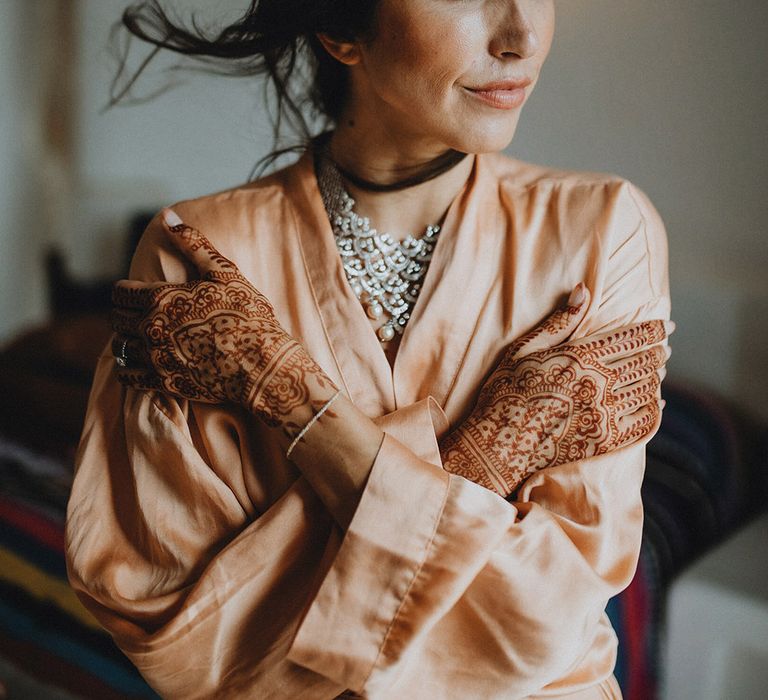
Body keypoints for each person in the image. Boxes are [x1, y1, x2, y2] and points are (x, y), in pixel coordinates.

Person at [65, 1, 673, 698]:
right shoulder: (195, 260)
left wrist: (294, 401)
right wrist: (486, 473)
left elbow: (546, 619)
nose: (523, 38)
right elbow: (178, 630)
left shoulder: (603, 232)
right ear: (341, 29)